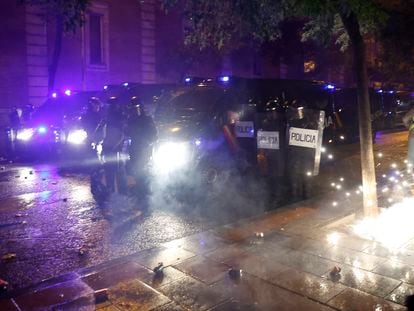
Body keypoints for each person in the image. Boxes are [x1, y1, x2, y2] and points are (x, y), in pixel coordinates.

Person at [126, 98, 157, 205]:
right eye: (132, 109)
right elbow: (127, 132)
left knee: (143, 170)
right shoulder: (131, 119)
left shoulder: (147, 120)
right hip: (135, 149)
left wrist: (147, 142)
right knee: (137, 171)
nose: (134, 111)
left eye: (136, 108)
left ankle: (144, 192)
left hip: (144, 149)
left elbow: (154, 135)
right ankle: (141, 191)